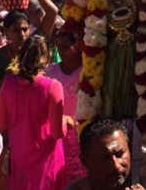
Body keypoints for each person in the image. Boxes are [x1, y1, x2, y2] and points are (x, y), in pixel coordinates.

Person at [0, 0, 58, 125]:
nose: (22, 35)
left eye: (25, 29)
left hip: (38, 116)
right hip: (9, 121)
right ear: (5, 32)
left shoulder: (36, 45)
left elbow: (53, 12)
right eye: (16, 31)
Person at [0, 35, 66, 189]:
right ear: (47, 58)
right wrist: (66, 121)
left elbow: (2, 125)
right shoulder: (52, 87)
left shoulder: (8, 83)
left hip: (19, 157)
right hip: (45, 160)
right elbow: (57, 133)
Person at [45, 31, 86, 184]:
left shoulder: (87, 71)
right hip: (55, 135)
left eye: (66, 47)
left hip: (79, 138)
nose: (61, 51)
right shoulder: (50, 71)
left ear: (78, 47)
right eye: (59, 47)